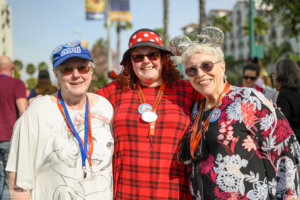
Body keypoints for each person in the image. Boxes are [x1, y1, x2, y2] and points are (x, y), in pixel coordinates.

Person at [170, 26, 300, 199]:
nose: (200, 74)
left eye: (206, 66)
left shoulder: (248, 98)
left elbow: (285, 150)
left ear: (222, 66)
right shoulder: (196, 110)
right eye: (192, 70)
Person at [96, 28, 202, 199]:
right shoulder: (114, 91)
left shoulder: (187, 90)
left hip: (174, 192)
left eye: (152, 55)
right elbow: (82, 105)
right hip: (127, 192)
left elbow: (218, 102)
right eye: (138, 57)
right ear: (130, 62)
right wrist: (47, 101)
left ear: (163, 59)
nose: (146, 61)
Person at [6, 41, 114, 200]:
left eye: (82, 68)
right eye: (67, 69)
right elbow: (18, 182)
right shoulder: (36, 113)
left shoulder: (105, 107)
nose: (76, 74)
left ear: (91, 71)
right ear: (56, 74)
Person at [0, 55, 27, 200]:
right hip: (10, 137)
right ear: (11, 67)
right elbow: (23, 111)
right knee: (8, 179)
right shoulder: (17, 84)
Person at [272, 58, 300, 142]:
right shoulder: (296, 93)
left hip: (292, 144)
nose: (273, 76)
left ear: (280, 75)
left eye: (274, 73)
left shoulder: (283, 95)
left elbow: (281, 125)